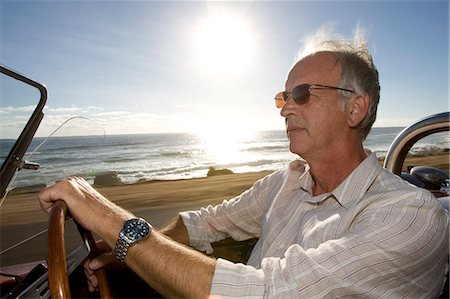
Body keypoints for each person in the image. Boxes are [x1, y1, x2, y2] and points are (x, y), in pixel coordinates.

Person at [39, 32, 449, 298]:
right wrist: (131, 254)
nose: (285, 108)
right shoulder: (287, 182)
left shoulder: (408, 217)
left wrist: (109, 218)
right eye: (283, 96)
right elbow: (204, 223)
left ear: (355, 108)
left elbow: (266, 292)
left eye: (302, 93)